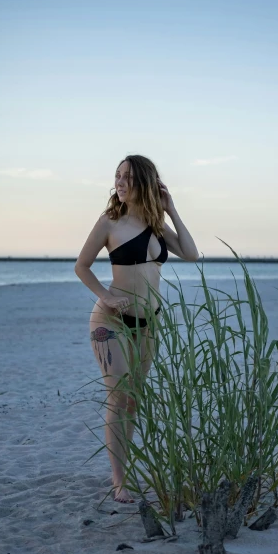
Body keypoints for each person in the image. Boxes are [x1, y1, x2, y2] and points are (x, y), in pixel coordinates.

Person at [75, 155, 199, 502]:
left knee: (132, 401)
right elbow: (81, 266)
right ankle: (119, 483)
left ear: (144, 181)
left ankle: (125, 473)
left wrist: (171, 209)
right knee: (119, 397)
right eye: (117, 176)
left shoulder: (156, 224)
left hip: (148, 324)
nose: (120, 182)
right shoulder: (109, 222)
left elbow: (191, 254)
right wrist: (106, 297)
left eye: (127, 176)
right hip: (110, 321)